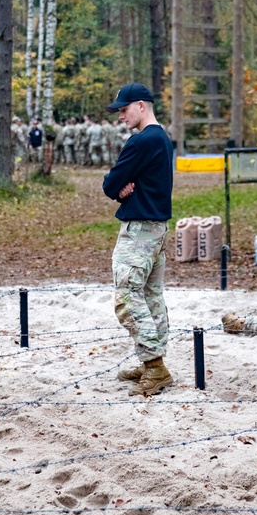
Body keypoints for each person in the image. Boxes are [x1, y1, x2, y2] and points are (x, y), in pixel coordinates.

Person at [102, 83, 175, 395]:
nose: (121, 115)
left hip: (140, 231)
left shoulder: (141, 141)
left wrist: (118, 187)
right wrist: (122, 187)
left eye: (124, 108)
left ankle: (154, 365)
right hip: (157, 228)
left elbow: (110, 184)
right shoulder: (163, 138)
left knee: (127, 299)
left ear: (142, 105)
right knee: (150, 296)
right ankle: (152, 363)